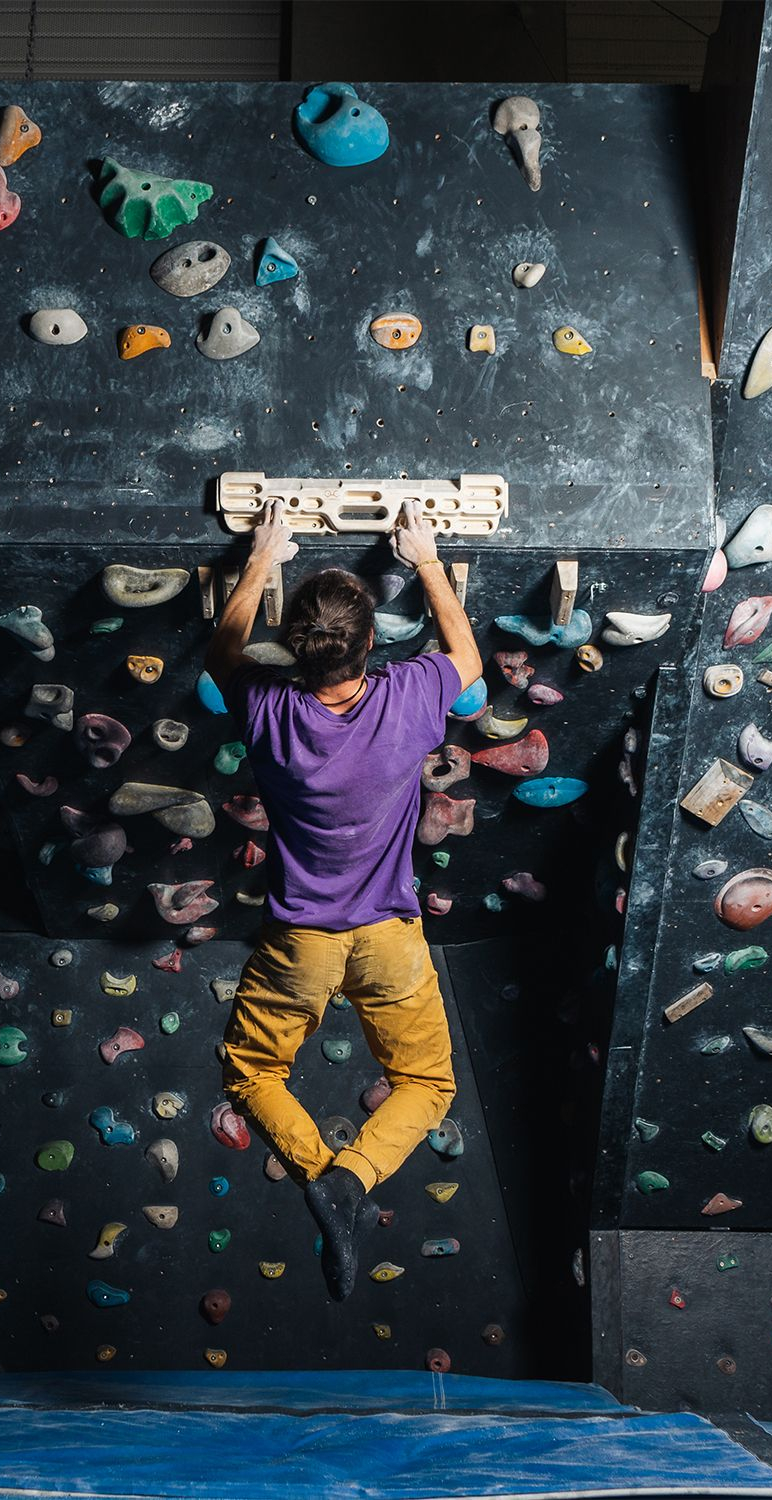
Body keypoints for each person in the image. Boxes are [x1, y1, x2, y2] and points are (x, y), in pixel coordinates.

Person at [205, 497, 484, 1300]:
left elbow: (223, 651)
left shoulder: (265, 706)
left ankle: (324, 1176)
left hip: (301, 942)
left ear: (293, 645)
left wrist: (262, 554)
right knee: (429, 1086)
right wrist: (426, 556)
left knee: (253, 1075)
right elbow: (465, 655)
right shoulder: (411, 696)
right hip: (390, 937)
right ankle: (350, 1180)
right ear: (370, 645)